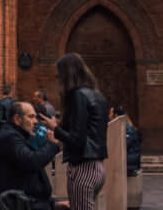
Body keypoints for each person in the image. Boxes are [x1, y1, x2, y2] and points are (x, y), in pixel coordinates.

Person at [51, 53, 108, 210]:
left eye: (60, 74)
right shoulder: (97, 95)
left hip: (83, 169)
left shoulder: (78, 95)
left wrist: (55, 129)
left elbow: (77, 140)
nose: (58, 79)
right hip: (98, 168)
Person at [0, 100, 60, 210]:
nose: (35, 122)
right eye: (31, 117)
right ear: (17, 119)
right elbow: (31, 161)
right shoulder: (9, 137)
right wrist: (52, 145)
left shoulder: (21, 136)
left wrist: (53, 204)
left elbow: (30, 183)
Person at [113, 107, 140, 178]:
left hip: (129, 162)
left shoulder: (127, 129)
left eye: (110, 114)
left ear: (115, 115)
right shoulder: (120, 127)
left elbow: (123, 145)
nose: (108, 116)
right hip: (127, 160)